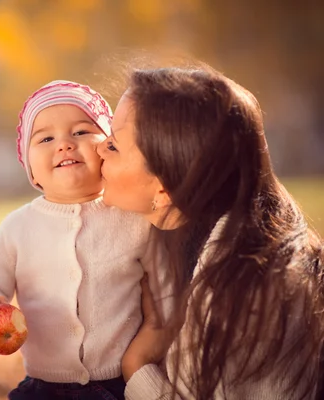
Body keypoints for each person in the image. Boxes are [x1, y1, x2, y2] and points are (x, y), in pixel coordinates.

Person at [96, 65, 324, 399]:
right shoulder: (223, 220)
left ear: (164, 190)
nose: (99, 147)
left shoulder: (237, 291)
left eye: (114, 145)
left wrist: (137, 366)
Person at [0, 80, 169, 400]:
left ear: (109, 148)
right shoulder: (17, 228)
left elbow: (168, 291)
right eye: (46, 138)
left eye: (81, 132)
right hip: (43, 388)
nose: (65, 144)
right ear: (32, 171)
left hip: (120, 385)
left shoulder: (134, 220)